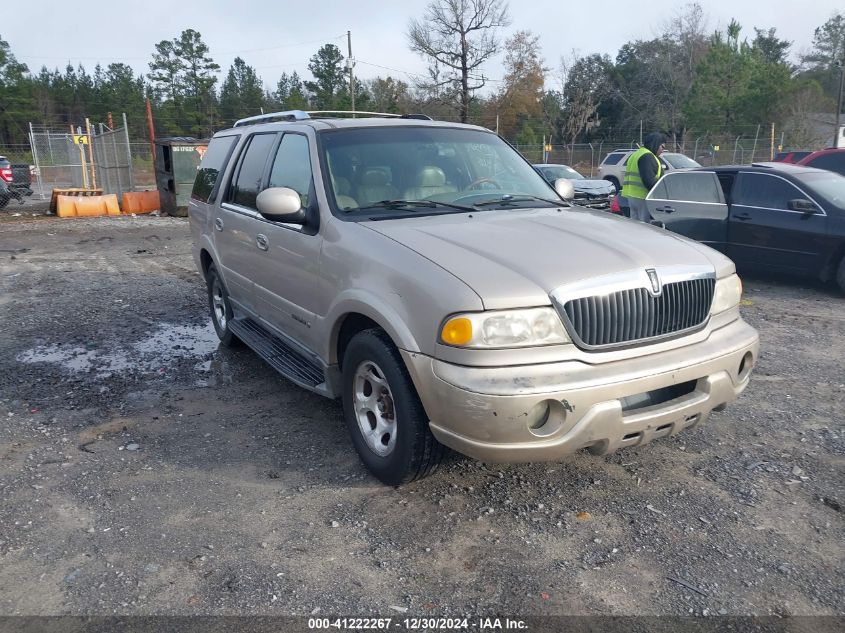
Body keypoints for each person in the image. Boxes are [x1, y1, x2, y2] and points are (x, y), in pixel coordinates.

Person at [621, 132, 666, 222]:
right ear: (655, 144)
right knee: (644, 227)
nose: (663, 150)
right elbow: (649, 181)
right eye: (662, 146)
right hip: (643, 197)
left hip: (632, 197)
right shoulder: (647, 156)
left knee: (635, 225)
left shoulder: (637, 154)